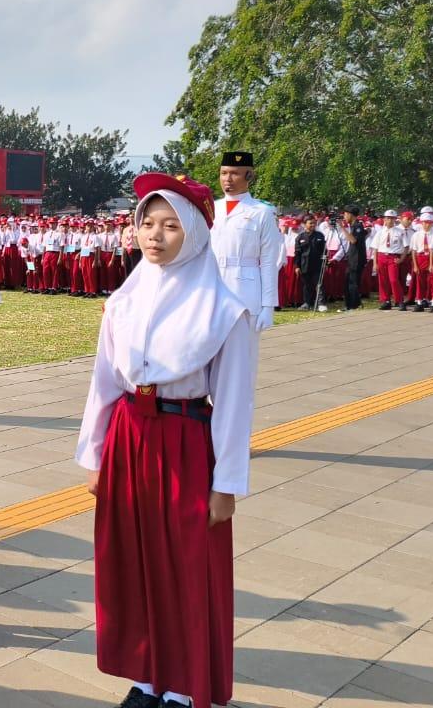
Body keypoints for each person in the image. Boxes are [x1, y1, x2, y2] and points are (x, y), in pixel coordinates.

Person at [77, 173, 252, 708]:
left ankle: (180, 685)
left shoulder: (225, 311)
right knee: (133, 561)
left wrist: (226, 485)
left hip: (184, 441)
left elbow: (235, 405)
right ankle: (146, 674)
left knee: (184, 566)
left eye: (172, 225)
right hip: (130, 437)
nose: (155, 235)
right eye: (147, 223)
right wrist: (95, 453)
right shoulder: (124, 300)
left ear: (197, 233)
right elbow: (105, 381)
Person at [209, 151, 281, 334]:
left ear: (249, 175)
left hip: (245, 289)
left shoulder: (262, 211)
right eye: (224, 173)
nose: (228, 178)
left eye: (234, 173)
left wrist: (268, 306)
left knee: (243, 355)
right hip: (212, 287)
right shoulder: (210, 208)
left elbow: (268, 261)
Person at [371, 209, 409, 310]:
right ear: (384, 219)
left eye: (392, 218)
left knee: (393, 280)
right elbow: (375, 248)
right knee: (383, 280)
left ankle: (399, 300)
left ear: (395, 220)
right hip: (381, 256)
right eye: (388, 218)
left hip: (393, 257)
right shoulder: (380, 232)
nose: (390, 220)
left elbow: (406, 247)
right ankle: (386, 300)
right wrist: (375, 263)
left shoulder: (400, 231)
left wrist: (401, 259)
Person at [338, 206, 369, 310]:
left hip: (357, 260)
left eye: (345, 214)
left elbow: (353, 240)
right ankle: (350, 304)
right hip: (352, 259)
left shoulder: (358, 226)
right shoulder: (353, 226)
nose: (344, 217)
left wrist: (342, 228)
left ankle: (353, 305)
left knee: (352, 283)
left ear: (350, 214)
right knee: (348, 282)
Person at [294, 216, 328, 310]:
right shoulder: (300, 237)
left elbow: (325, 250)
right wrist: (297, 266)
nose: (313, 225)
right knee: (307, 285)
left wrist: (325, 262)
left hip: (317, 264)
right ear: (304, 224)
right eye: (310, 223)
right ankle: (307, 303)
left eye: (314, 223)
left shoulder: (320, 236)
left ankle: (321, 304)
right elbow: (297, 253)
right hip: (305, 265)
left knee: (319, 284)